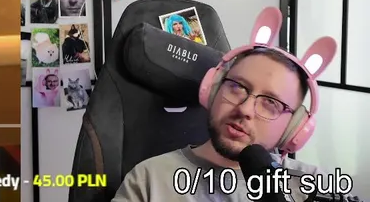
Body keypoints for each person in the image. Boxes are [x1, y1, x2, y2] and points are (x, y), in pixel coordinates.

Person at [111, 48, 357, 202]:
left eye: (270, 103)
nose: (245, 110)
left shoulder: (316, 186)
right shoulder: (150, 178)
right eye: (237, 87)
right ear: (213, 90)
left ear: (293, 128)